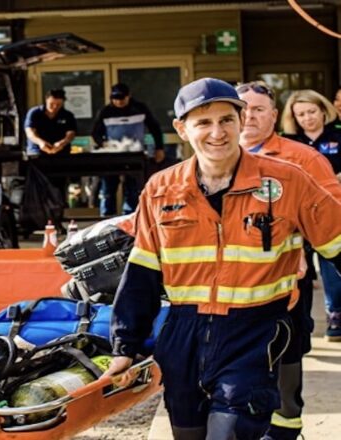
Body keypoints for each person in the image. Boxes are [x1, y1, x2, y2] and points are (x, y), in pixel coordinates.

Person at [104, 78, 341, 439]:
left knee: (230, 433)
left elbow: (337, 244)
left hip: (255, 332)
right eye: (203, 123)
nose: (217, 132)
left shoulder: (288, 181)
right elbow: (142, 273)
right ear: (183, 130)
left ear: (240, 120)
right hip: (183, 334)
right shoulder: (160, 189)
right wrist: (125, 346)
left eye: (226, 120)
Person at [238, 81, 341, 440]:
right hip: (227, 292)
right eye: (243, 108)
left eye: (258, 110)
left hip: (285, 289)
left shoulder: (304, 158)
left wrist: (300, 245)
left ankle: (284, 431)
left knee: (285, 361)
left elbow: (331, 217)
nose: (249, 116)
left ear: (274, 115)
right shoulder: (211, 157)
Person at [280, 89, 341, 342]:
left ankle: (335, 315)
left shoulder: (337, 133)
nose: (307, 118)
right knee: (299, 273)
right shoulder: (287, 141)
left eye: (311, 112)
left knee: (332, 269)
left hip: (332, 211)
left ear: (324, 110)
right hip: (298, 216)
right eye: (301, 114)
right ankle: (300, 325)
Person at [92, 83, 164, 216]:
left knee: (132, 189)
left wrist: (159, 148)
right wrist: (103, 143)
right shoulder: (105, 111)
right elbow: (95, 133)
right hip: (112, 154)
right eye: (115, 98)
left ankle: (131, 217)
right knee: (108, 188)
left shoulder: (140, 108)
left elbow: (155, 128)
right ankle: (107, 217)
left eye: (122, 98)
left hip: (134, 154)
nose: (119, 101)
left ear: (128, 96)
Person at [24, 89, 77, 157]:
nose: (55, 107)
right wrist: (40, 142)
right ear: (46, 101)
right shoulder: (34, 113)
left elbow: (71, 133)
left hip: (61, 152)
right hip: (37, 152)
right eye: (51, 104)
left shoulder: (68, 115)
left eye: (58, 104)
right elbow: (30, 132)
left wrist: (63, 143)